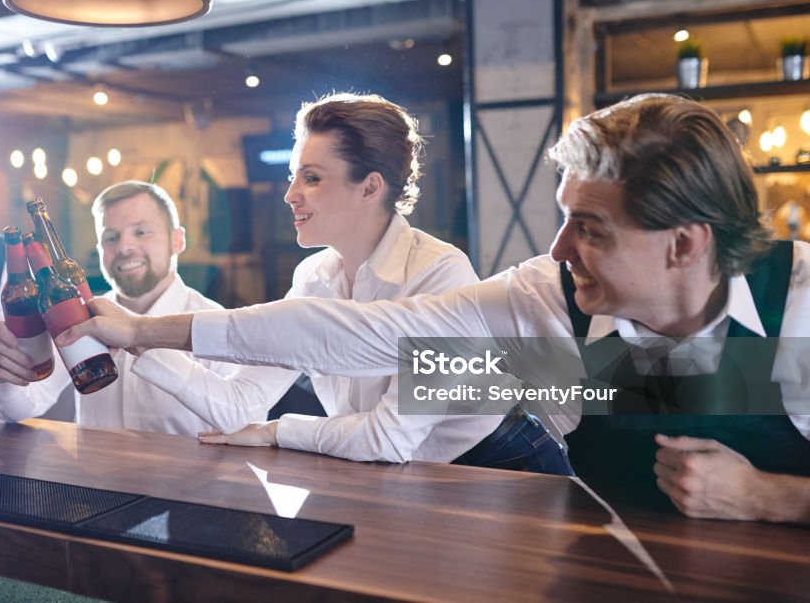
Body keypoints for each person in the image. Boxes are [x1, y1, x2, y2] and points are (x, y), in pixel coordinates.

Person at [56, 94, 810, 522]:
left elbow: (390, 430)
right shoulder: (541, 315)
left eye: (591, 228)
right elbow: (362, 337)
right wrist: (140, 332)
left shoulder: (801, 306)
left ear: (683, 246)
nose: (556, 249)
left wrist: (771, 496)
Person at [61, 93, 572, 473]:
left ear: (370, 187)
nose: (288, 195)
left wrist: (282, 431)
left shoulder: (440, 273)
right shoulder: (314, 275)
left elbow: (390, 439)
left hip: (501, 466)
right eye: (292, 176)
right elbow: (238, 404)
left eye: (311, 178)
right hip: (395, 476)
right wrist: (133, 341)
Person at [0, 180, 293, 434]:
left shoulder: (217, 323)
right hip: (94, 496)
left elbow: (243, 427)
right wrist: (3, 377)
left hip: (185, 502)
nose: (125, 247)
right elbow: (20, 408)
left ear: (177, 241)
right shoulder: (79, 317)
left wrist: (141, 337)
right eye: (110, 238)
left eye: (142, 232)